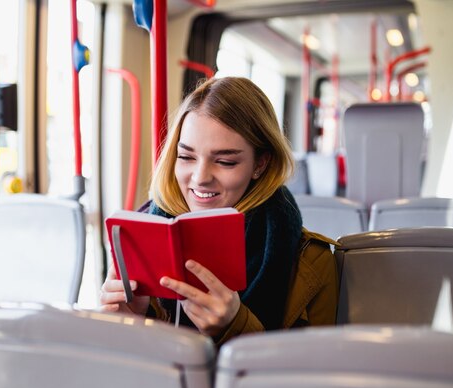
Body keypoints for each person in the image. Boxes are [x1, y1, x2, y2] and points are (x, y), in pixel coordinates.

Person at [100, 76, 338, 346]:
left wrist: (234, 325)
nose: (200, 177)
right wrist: (128, 325)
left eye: (225, 161)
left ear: (260, 164)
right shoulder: (138, 243)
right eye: (187, 157)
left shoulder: (314, 264)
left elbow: (311, 379)